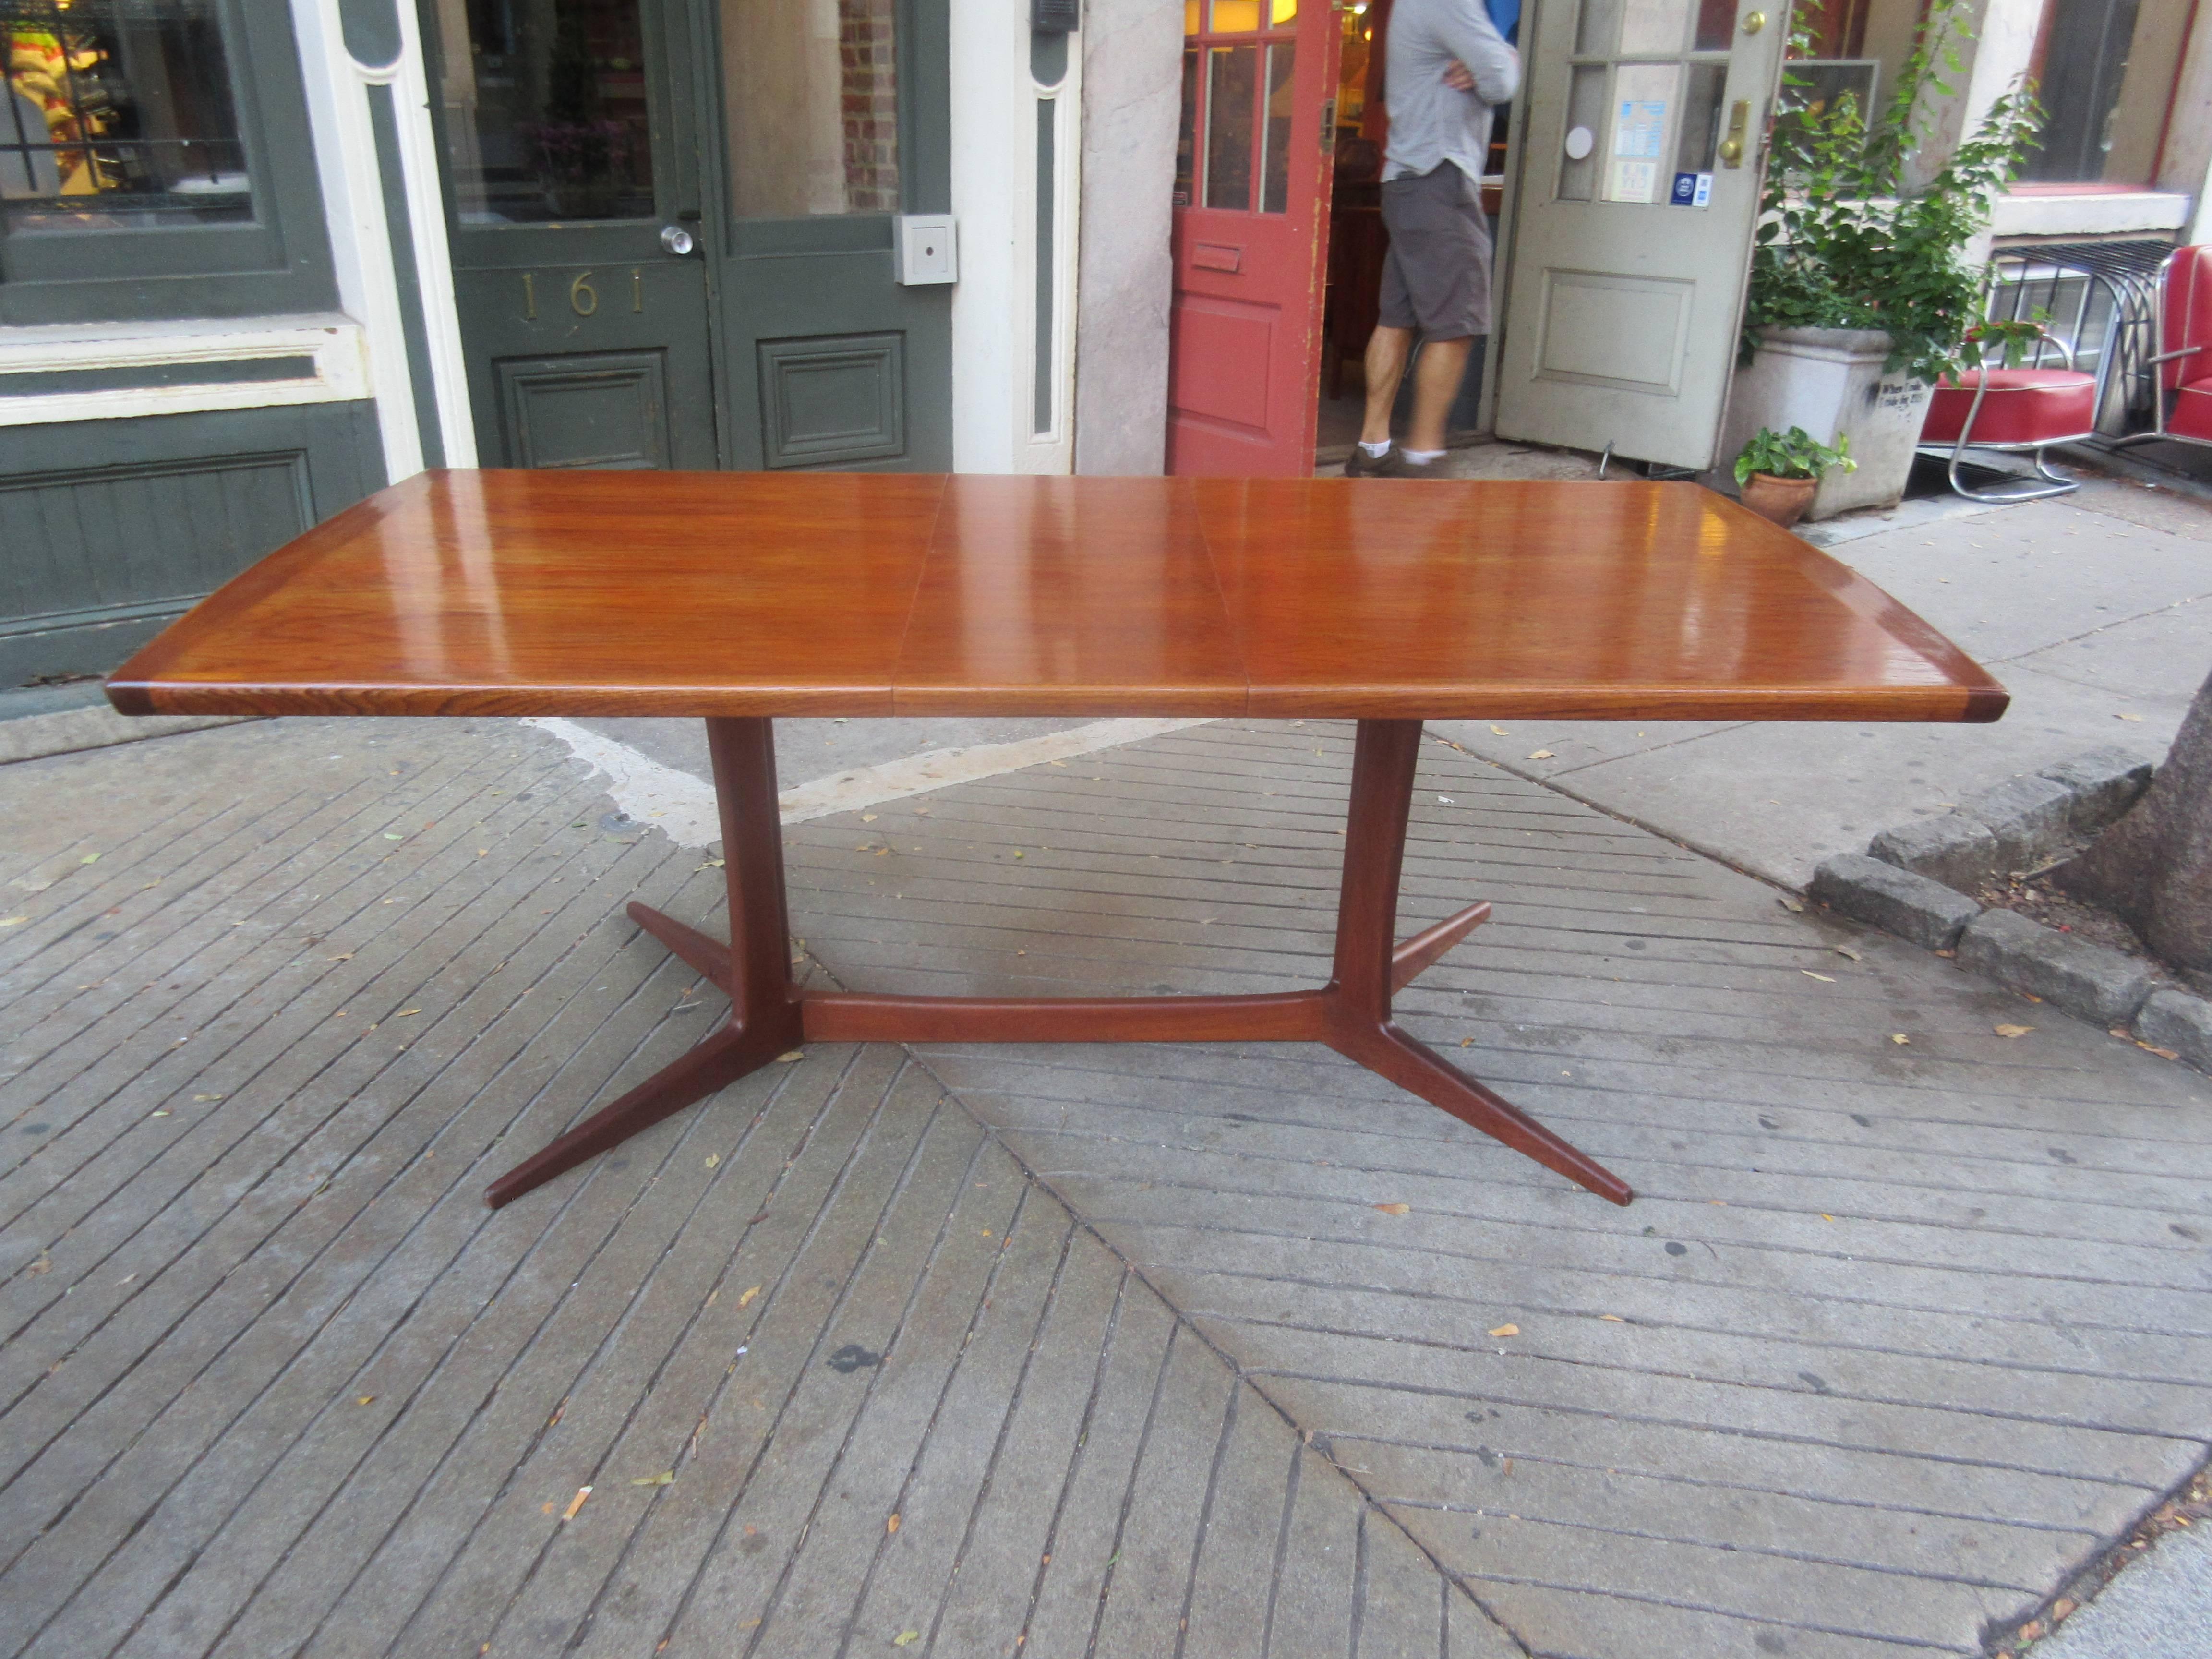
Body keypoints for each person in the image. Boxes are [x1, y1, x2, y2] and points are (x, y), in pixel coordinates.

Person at [1344, 0, 1519, 478]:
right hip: (1439, 177)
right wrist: (1506, 57)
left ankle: (1373, 447)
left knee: (1396, 318)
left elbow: (1490, 73)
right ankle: (1424, 457)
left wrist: (1490, 61)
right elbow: (1501, 83)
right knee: (1458, 323)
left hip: (1408, 179)